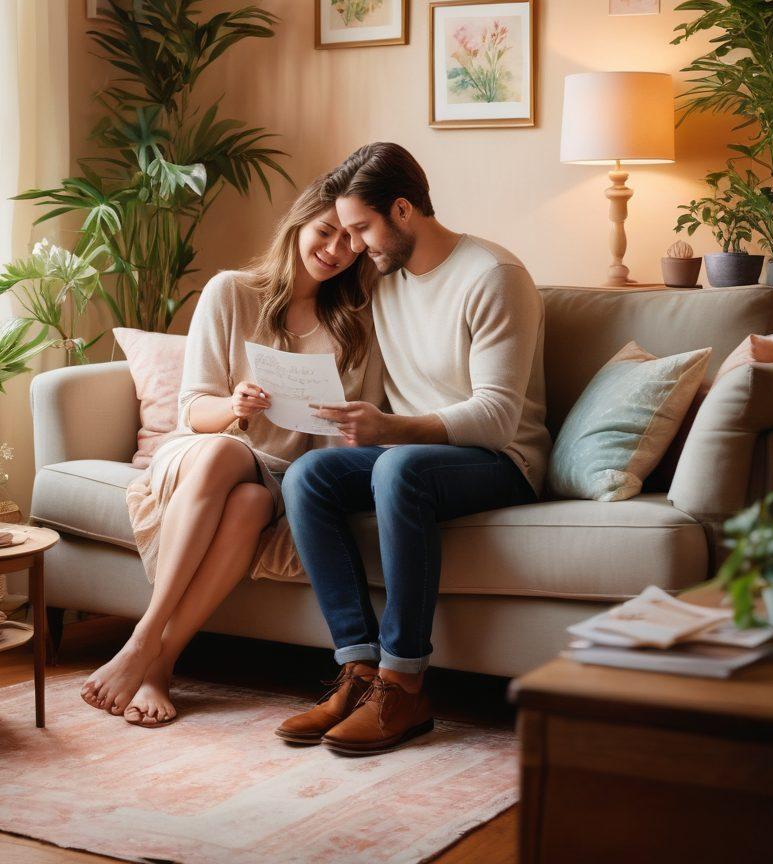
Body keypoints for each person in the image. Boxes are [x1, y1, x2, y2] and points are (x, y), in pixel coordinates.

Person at [276, 142, 550, 755]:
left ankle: (406, 684)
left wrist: (389, 430)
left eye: (361, 229)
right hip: (415, 459)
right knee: (308, 476)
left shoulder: (493, 276)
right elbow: (302, 289)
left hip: (502, 461)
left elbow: (498, 419)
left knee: (398, 465)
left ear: (402, 211)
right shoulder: (382, 279)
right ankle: (361, 671)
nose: (353, 246)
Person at [81, 179, 383, 726]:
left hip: (275, 474)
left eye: (350, 243)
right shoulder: (230, 291)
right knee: (223, 455)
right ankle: (146, 643)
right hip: (200, 449)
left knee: (246, 504)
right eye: (324, 232)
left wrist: (349, 430)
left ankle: (157, 661)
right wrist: (235, 406)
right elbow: (192, 410)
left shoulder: (355, 323)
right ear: (298, 227)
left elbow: (358, 425)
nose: (336, 251)